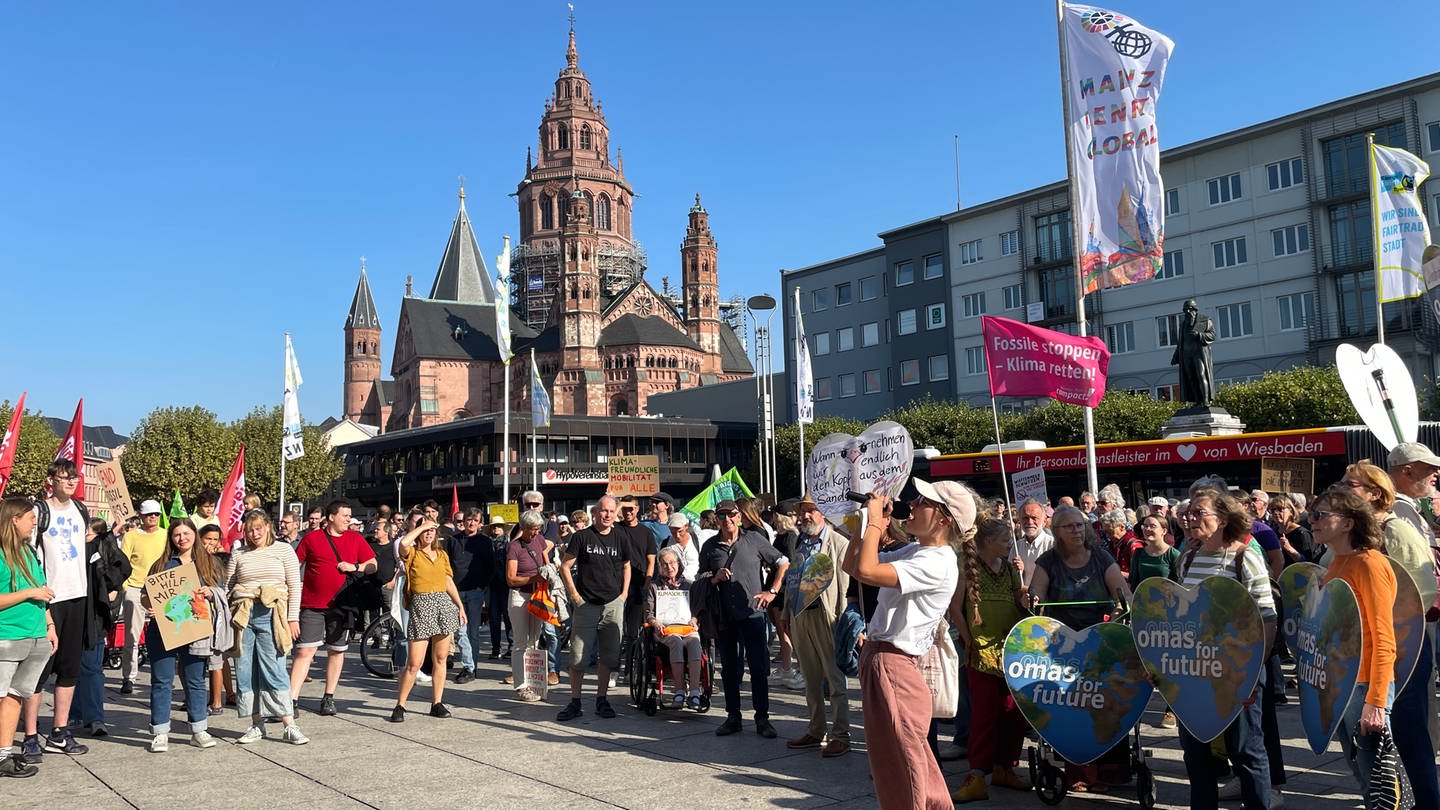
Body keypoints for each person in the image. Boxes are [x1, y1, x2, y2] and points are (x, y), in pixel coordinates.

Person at [842, 480, 964, 810]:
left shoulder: (937, 561)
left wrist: (877, 522)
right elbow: (851, 566)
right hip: (885, 661)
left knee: (906, 765)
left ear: (944, 519)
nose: (912, 503)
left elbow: (866, 569)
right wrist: (867, 523)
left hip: (895, 663)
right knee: (898, 761)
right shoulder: (920, 551)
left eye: (923, 501)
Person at [1343, 459, 1438, 810]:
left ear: (1375, 493)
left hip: (1403, 647)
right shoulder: (1352, 532)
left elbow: (1423, 591)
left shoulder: (1395, 529)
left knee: (1409, 736)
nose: (1341, 489)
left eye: (1350, 485)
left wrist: (1381, 618)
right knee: (1376, 742)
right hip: (1363, 651)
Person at [1173, 488, 1275, 810]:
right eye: (1189, 512)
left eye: (1199, 512)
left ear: (1223, 518)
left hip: (1237, 671)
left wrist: (1254, 672)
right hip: (1194, 673)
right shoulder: (1187, 558)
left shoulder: (1245, 556)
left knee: (1246, 751)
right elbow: (1178, 616)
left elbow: (1267, 618)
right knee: (1196, 753)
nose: (1190, 517)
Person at [1029, 504, 1131, 793]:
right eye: (1069, 526)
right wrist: (1034, 599)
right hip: (1064, 645)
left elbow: (1121, 590)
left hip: (1100, 640)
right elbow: (1037, 591)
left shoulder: (1100, 557)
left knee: (1109, 699)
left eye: (1080, 525)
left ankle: (1113, 769)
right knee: (1074, 705)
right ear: (1057, 532)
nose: (1077, 530)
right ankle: (1080, 770)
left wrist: (1126, 603)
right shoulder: (1049, 560)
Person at [1312, 485, 1398, 809]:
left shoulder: (1369, 564)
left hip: (1365, 686)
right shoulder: (1338, 562)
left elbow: (1384, 636)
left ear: (1348, 523)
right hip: (1343, 682)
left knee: (1380, 781)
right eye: (1311, 514)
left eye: (1320, 515)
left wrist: (1377, 702)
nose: (1312, 521)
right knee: (1365, 779)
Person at [951, 519, 1031, 802]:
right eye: (1005, 540)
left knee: (1012, 713)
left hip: (1010, 650)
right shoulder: (967, 570)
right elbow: (956, 609)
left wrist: (1024, 593)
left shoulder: (1011, 570)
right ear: (987, 542)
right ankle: (976, 775)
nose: (1010, 544)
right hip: (982, 653)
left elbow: (1019, 601)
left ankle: (1005, 767)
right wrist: (967, 639)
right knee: (985, 716)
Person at [19, 461, 93, 761]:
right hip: (49, 597)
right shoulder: (39, 511)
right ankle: (31, 734)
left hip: (78, 595)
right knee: (39, 669)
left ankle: (60, 732)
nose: (70, 482)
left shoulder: (80, 510)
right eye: (65, 477)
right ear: (51, 480)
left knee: (69, 668)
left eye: (74, 477)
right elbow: (28, 553)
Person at [699, 499, 789, 738]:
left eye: (731, 514)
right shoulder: (710, 546)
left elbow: (782, 562)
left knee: (758, 667)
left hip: (752, 613)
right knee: (729, 669)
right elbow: (700, 578)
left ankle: (762, 718)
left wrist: (772, 591)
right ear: (716, 519)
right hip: (725, 615)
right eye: (721, 516)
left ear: (739, 516)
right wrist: (714, 578)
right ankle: (733, 717)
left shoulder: (754, 539)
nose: (726, 519)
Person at [225, 511, 308, 745]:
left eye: (259, 528)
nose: (255, 533)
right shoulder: (239, 553)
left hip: (273, 613)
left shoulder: (283, 550)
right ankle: (256, 723)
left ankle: (289, 724)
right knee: (244, 669)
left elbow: (294, 585)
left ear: (268, 527)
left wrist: (293, 618)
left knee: (274, 668)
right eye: (251, 529)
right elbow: (228, 586)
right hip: (243, 615)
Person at [143, 519, 225, 752]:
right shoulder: (161, 564)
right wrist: (151, 606)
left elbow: (222, 592)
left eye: (186, 533)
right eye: (177, 534)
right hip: (163, 630)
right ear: (170, 538)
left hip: (195, 631)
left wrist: (211, 593)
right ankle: (160, 731)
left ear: (194, 535)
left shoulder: (209, 563)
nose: (182, 538)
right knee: (161, 681)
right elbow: (144, 595)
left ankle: (199, 729)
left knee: (196, 680)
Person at [289, 500, 377, 717]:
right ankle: (291, 700)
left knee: (336, 651)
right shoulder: (311, 538)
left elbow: (373, 564)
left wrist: (355, 566)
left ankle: (328, 697)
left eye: (349, 516)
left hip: (342, 606)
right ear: (331, 517)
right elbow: (294, 564)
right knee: (304, 651)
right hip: (312, 604)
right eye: (345, 515)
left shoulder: (355, 538)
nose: (349, 519)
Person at [785, 495, 851, 757]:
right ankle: (816, 729)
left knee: (835, 680)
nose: (805, 516)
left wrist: (844, 621)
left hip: (828, 616)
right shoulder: (800, 542)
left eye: (810, 511)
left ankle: (841, 734)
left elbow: (845, 587)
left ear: (823, 512)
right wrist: (787, 612)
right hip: (801, 616)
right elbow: (794, 577)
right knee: (810, 678)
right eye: (802, 512)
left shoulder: (838, 543)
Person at [557, 496, 631, 722]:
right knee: (578, 656)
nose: (608, 515)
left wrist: (623, 595)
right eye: (604, 511)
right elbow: (565, 566)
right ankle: (575, 701)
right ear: (595, 513)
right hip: (586, 604)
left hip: (612, 604)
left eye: (611, 511)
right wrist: (575, 596)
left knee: (608, 657)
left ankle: (602, 699)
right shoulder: (582, 537)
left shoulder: (621, 536)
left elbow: (627, 566)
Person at [0, 497, 55, 778]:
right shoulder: (0, 554)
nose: (35, 522)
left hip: (35, 636)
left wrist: (49, 623)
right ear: (14, 519)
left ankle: (4, 756)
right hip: (7, 637)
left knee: (15, 697)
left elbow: (40, 587)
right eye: (30, 517)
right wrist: (29, 594)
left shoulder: (29, 552)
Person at [390, 520, 464, 722]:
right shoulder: (412, 553)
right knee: (415, 662)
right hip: (421, 605)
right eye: (426, 531)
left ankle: (437, 702)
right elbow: (404, 544)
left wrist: (460, 606)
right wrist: (421, 527)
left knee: (440, 659)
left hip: (443, 603)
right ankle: (400, 705)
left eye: (433, 530)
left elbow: (448, 581)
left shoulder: (442, 554)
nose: (429, 534)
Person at [72, 517, 130, 739]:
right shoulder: (64, 545)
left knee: (92, 667)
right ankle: (75, 713)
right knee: (70, 668)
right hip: (67, 612)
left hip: (93, 614)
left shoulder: (102, 544)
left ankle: (95, 717)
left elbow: (122, 567)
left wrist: (113, 587)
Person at [1127, 512, 1180, 729]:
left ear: (1164, 531)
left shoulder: (1173, 555)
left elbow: (1179, 588)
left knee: (1169, 664)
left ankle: (1171, 710)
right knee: (1147, 664)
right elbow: (1133, 584)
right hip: (1144, 616)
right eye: (1145, 526)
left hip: (1168, 617)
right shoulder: (1138, 555)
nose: (1148, 530)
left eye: (1153, 526)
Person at [118, 499, 168, 694]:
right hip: (136, 587)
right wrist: (125, 587)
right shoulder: (131, 536)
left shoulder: (165, 535)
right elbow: (123, 561)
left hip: (161, 587)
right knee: (131, 634)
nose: (153, 518)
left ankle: (162, 674)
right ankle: (128, 677)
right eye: (149, 515)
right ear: (141, 516)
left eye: (156, 514)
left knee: (168, 635)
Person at [644, 546, 703, 708]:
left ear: (679, 563)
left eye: (672, 563)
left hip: (686, 628)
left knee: (695, 641)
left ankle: (695, 692)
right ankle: (679, 690)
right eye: (664, 564)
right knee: (676, 640)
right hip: (665, 629)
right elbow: (649, 613)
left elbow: (697, 611)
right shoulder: (654, 587)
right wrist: (655, 623)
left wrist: (694, 619)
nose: (669, 567)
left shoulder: (689, 586)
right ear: (659, 567)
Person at [504, 510, 553, 702]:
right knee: (520, 643)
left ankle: (535, 683)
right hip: (520, 596)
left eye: (538, 529)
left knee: (534, 641)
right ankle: (521, 686)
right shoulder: (514, 547)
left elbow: (544, 558)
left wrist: (549, 572)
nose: (535, 532)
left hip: (537, 595)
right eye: (532, 529)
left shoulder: (539, 539)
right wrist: (534, 577)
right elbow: (510, 578)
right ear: (523, 528)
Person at [449, 508, 492, 685]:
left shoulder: (485, 541)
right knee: (461, 631)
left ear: (480, 523)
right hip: (456, 592)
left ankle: (472, 666)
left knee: (472, 632)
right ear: (463, 521)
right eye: (468, 520)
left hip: (475, 592)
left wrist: (481, 587)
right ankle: (468, 666)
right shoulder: (453, 541)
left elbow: (490, 566)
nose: (471, 523)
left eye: (475, 520)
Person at [615, 495, 655, 681]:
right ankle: (615, 667)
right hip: (616, 584)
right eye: (625, 509)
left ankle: (630, 668)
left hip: (638, 584)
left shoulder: (645, 532)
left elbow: (651, 560)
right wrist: (621, 504)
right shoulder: (616, 528)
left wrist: (647, 583)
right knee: (614, 628)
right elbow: (609, 517)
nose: (628, 512)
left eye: (631, 508)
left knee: (633, 630)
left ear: (638, 509)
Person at [196, 523, 235, 715]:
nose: (211, 543)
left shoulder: (218, 562)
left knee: (216, 661)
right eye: (207, 539)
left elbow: (222, 586)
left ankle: (217, 701)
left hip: (214, 616)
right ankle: (192, 699)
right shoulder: (191, 559)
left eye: (215, 539)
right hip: (194, 615)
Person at [767, 510, 802, 691]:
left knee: (786, 630)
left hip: (782, 589)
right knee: (784, 631)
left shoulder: (788, 537)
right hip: (781, 587)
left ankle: (797, 668)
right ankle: (787, 667)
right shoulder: (787, 535)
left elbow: (789, 563)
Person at [1171, 298, 1215, 406]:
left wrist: (1199, 335)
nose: (1187, 312)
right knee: (1191, 378)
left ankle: (1205, 400)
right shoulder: (1183, 325)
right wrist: (1176, 356)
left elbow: (1212, 335)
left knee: (1201, 374)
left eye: (1190, 309)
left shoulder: (1205, 320)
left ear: (1195, 309)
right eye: (1185, 310)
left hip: (1199, 354)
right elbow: (1180, 342)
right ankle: (1197, 401)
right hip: (1186, 354)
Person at [1014, 498, 1053, 589]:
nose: (1029, 522)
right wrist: (1016, 572)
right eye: (1025, 518)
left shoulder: (1053, 545)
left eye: (1034, 518)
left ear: (1044, 521)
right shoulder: (1016, 546)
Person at [1268, 494, 1316, 565]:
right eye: (1273, 510)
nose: (1276, 513)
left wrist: (1289, 549)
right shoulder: (1273, 532)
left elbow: (1309, 563)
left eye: (1280, 509)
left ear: (1291, 511)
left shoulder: (1302, 533)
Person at [1097, 509, 1140, 578]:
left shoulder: (1134, 545)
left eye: (1110, 532)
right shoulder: (1112, 543)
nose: (1107, 536)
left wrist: (1114, 572)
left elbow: (1139, 575)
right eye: (1105, 532)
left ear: (1122, 527)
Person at [660, 512, 700, 582]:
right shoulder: (665, 544)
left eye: (680, 531)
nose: (677, 535)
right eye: (673, 532)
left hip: (695, 586)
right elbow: (660, 567)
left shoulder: (698, 541)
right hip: (673, 588)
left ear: (686, 526)